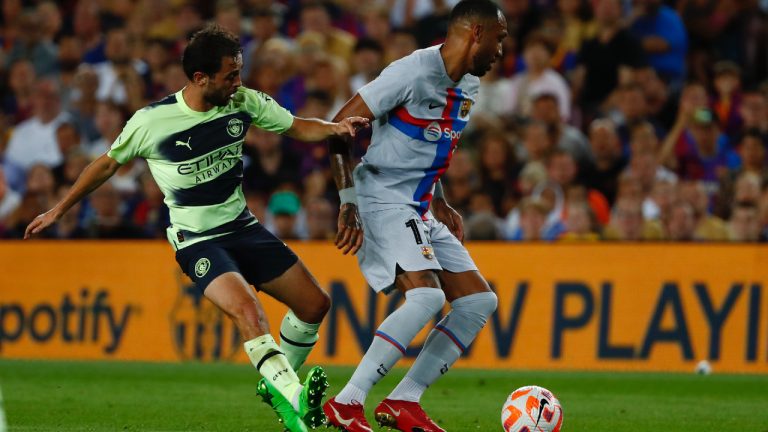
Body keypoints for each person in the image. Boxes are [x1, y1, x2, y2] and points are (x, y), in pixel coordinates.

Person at [24, 25, 369, 432]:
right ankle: (296, 399)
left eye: (239, 72)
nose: (238, 82)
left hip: (243, 227)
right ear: (200, 78)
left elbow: (294, 125)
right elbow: (106, 164)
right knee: (248, 311)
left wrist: (334, 128)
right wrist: (59, 209)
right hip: (198, 241)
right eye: (230, 75)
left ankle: (278, 385)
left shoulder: (243, 102)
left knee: (315, 304)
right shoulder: (152, 122)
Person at [322, 2, 506, 431]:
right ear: (476, 33)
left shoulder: (470, 86)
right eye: (499, 39)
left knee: (479, 301)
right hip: (379, 198)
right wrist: (347, 201)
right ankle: (347, 402)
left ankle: (404, 400)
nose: (501, 50)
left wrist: (438, 198)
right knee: (426, 297)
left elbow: (429, 145)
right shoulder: (410, 72)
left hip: (420, 204)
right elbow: (337, 129)